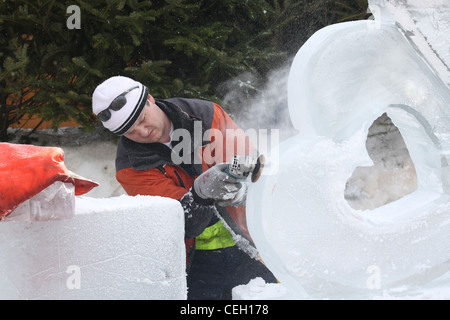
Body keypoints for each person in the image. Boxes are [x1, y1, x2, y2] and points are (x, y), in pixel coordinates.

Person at [92, 76, 276, 299]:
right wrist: (200, 194)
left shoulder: (205, 115)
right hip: (195, 262)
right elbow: (181, 222)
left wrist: (243, 189)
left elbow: (249, 163)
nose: (142, 132)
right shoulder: (131, 167)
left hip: (249, 243)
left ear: (150, 99)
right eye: (130, 132)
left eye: (141, 119)